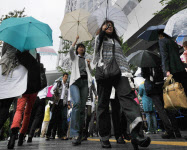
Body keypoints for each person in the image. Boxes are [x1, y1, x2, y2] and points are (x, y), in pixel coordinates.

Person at [91, 20, 151, 149]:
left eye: (111, 25)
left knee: (128, 99)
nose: (109, 26)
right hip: (104, 73)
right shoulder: (98, 39)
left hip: (120, 73)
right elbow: (96, 49)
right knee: (103, 104)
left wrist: (129, 75)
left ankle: (137, 134)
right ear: (102, 28)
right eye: (106, 25)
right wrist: (101, 33)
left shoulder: (117, 42)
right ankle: (105, 136)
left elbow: (122, 59)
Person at [8, 50, 41, 149]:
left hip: (22, 88)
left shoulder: (18, 54)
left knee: (18, 110)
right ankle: (22, 135)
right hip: (34, 88)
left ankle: (13, 134)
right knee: (28, 112)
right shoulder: (36, 55)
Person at [142, 66, 181, 139]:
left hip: (153, 89)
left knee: (161, 111)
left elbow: (144, 75)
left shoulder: (145, 63)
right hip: (162, 86)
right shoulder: (158, 60)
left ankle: (169, 131)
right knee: (169, 109)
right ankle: (177, 131)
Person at [69, 36, 93, 146]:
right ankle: (74, 133)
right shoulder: (74, 58)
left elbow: (90, 72)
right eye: (79, 47)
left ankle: (81, 132)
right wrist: (75, 41)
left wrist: (89, 65)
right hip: (75, 83)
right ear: (77, 49)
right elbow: (70, 50)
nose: (81, 48)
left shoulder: (86, 59)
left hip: (84, 83)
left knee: (82, 108)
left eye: (83, 47)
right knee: (77, 104)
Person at [0, 43, 28, 132]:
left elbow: (3, 53)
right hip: (15, 75)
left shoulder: (8, 37)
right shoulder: (26, 42)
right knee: (6, 106)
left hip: (4, 69)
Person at [158, 30, 187, 96]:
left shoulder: (162, 41)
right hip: (180, 67)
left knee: (179, 89)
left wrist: (166, 70)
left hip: (173, 69)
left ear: (160, 35)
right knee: (185, 85)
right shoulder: (172, 41)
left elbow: (164, 55)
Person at [46, 72, 70, 140]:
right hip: (57, 102)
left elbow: (68, 94)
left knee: (64, 118)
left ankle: (63, 135)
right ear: (63, 77)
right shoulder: (58, 83)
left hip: (64, 103)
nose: (66, 78)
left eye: (67, 77)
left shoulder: (68, 85)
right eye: (65, 76)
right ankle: (48, 134)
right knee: (53, 118)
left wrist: (68, 103)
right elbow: (51, 90)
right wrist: (55, 94)